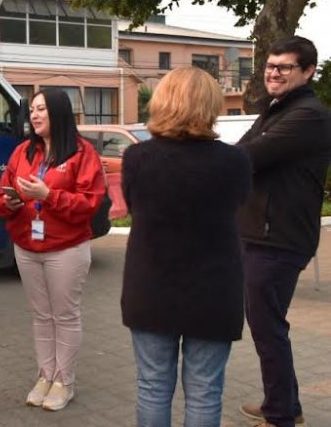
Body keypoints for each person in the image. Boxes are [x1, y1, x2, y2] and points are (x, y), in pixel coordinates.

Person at [120, 67, 252, 427]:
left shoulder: (137, 158)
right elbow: (238, 203)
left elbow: (134, 207)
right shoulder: (236, 161)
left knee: (152, 385)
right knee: (206, 390)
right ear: (211, 105)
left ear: (163, 100)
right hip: (214, 288)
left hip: (150, 285)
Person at [236, 36, 331, 427]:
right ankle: (284, 402)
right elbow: (243, 149)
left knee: (268, 327)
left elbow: (246, 156)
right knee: (266, 325)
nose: (273, 73)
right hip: (261, 233)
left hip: (279, 238)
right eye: (270, 66)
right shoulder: (275, 110)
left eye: (284, 67)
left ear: (308, 71)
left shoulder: (308, 115)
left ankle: (280, 415)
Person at [0, 89, 105, 412]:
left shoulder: (83, 153)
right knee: (41, 316)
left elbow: (89, 204)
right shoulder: (22, 153)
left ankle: (64, 381)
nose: (34, 116)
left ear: (58, 112)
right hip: (26, 247)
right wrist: (10, 201)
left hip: (66, 249)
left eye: (41, 109)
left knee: (64, 315)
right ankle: (45, 375)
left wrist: (48, 194)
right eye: (33, 111)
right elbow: (1, 196)